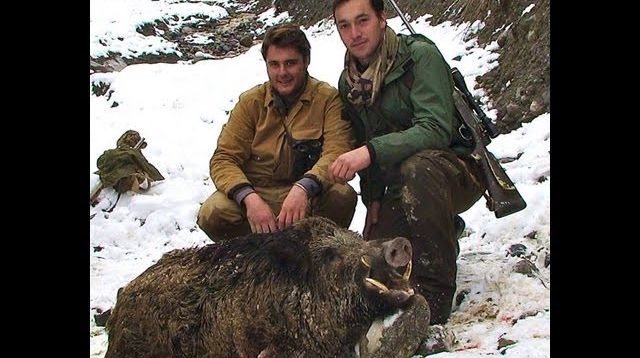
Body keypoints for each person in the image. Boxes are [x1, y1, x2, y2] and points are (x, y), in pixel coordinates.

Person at [330, 0, 487, 324]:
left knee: (418, 168)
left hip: (454, 170)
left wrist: (370, 152)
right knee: (379, 265)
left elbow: (435, 130)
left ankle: (434, 298)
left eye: (363, 21)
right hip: (399, 182)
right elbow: (365, 137)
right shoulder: (349, 83)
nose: (355, 33)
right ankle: (442, 230)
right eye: (345, 25)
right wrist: (373, 199)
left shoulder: (420, 57)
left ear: (382, 19)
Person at [197, 23, 358, 240]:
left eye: (290, 63)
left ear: (306, 61)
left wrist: (305, 187)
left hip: (308, 197)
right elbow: (224, 159)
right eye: (274, 64)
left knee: (342, 196)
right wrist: (249, 198)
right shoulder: (250, 103)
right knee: (213, 212)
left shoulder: (328, 100)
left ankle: (315, 256)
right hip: (258, 193)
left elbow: (337, 152)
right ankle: (252, 257)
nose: (282, 73)